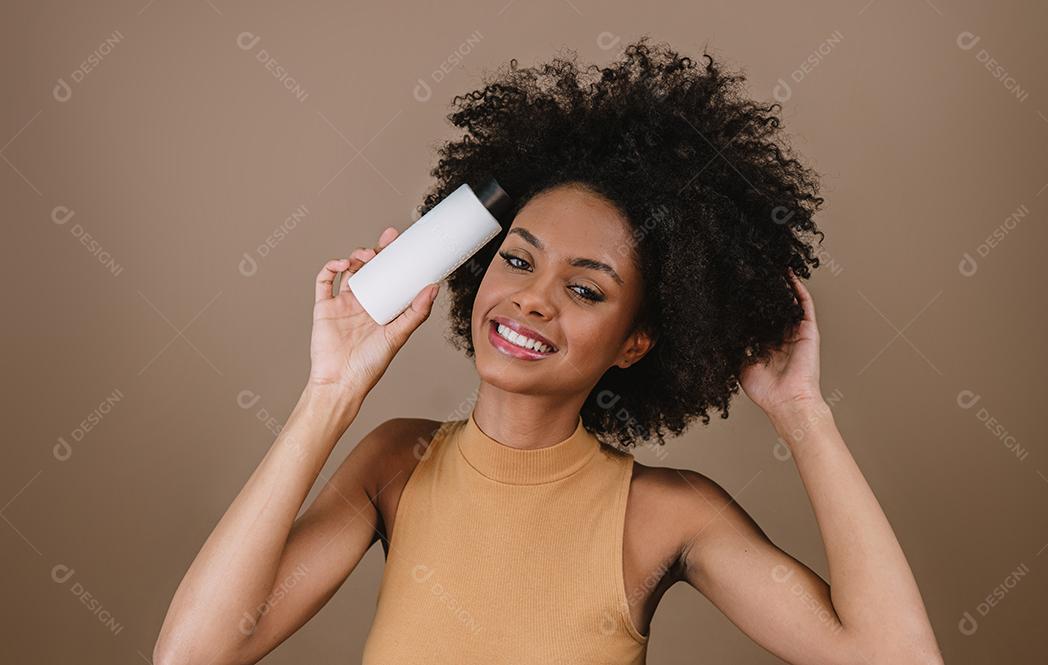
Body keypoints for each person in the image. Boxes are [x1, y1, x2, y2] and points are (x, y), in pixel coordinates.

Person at [154, 37, 944, 665]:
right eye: (520, 259)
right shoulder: (397, 463)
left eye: (587, 289)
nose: (534, 297)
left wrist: (803, 413)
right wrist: (330, 391)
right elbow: (194, 653)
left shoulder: (667, 514)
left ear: (636, 342)